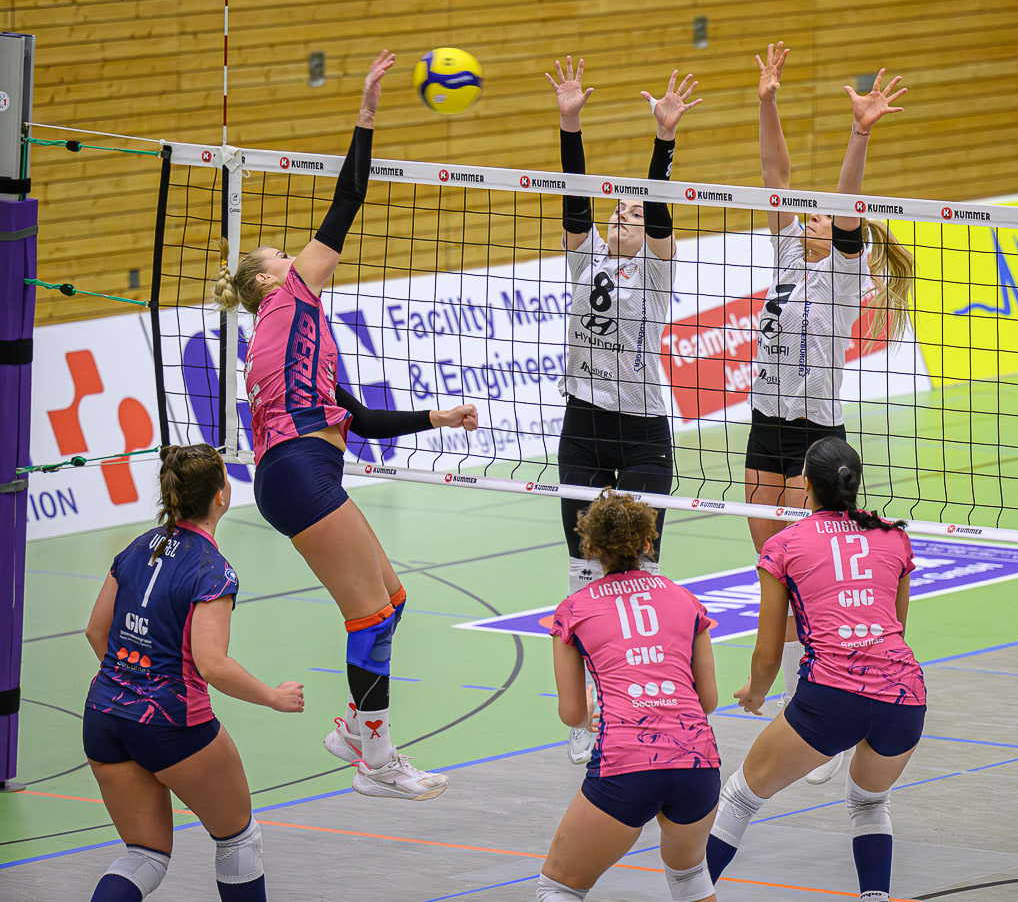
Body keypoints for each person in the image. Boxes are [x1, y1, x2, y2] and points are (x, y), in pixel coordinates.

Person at [211, 50, 479, 799]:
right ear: (269, 277)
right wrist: (366, 110)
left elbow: (359, 418)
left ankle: (355, 729)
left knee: (391, 599)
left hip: (302, 469)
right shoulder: (291, 294)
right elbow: (347, 199)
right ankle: (376, 759)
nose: (296, 252)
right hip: (297, 471)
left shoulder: (296, 333)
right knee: (369, 611)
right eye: (281, 253)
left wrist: (439, 415)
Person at [745, 42, 915, 785]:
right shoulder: (788, 252)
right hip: (765, 425)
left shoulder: (844, 274)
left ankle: (822, 705)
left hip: (817, 434)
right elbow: (775, 175)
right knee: (773, 571)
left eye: (821, 216)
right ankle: (805, 699)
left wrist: (859, 132)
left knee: (815, 578)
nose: (809, 217)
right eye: (807, 216)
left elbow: (844, 197)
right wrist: (768, 100)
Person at [546, 55, 701, 763]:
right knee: (583, 574)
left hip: (643, 433)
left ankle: (644, 699)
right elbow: (575, 202)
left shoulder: (659, 272)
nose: (622, 218)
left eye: (635, 214)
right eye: (619, 212)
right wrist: (569, 123)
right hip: (582, 426)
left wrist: (663, 140)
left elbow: (659, 206)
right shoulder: (587, 262)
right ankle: (584, 718)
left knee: (641, 573)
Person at [83, 444, 305, 902]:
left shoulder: (137, 547)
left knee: (144, 855)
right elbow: (213, 665)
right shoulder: (212, 570)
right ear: (221, 495)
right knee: (238, 839)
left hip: (104, 715)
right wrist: (273, 696)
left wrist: (130, 680)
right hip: (171, 721)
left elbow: (96, 630)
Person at [707, 438, 925, 902]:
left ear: (804, 483)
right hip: (904, 697)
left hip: (832, 697)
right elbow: (897, 628)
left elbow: (769, 651)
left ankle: (690, 896)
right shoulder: (894, 537)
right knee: (869, 803)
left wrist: (756, 693)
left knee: (741, 797)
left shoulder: (783, 545)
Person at [538, 493, 720, 902]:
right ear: (647, 542)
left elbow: (572, 713)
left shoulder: (573, 610)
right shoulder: (685, 600)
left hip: (626, 764)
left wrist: (589, 712)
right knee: (690, 878)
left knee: (558, 886)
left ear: (590, 547)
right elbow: (707, 701)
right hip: (697, 762)